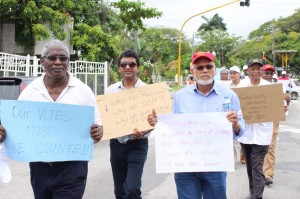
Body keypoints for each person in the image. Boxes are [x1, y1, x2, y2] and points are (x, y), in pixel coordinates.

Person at [0, 39, 103, 199]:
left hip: (72, 169)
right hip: (40, 169)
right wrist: (4, 134)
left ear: (68, 62)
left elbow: (98, 128)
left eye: (63, 58)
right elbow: (16, 130)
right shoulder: (30, 92)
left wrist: (98, 132)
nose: (58, 62)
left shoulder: (83, 91)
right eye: (52, 58)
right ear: (42, 61)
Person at [148, 51, 246, 199]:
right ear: (193, 71)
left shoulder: (229, 95)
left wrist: (235, 125)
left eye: (209, 66)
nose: (205, 70)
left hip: (215, 165)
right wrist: (158, 123)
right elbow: (172, 127)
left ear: (214, 69)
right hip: (185, 166)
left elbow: (241, 129)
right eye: (200, 68)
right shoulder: (181, 96)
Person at [106, 50, 152, 199]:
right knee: (119, 190)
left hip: (138, 144)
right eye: (123, 64)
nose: (127, 67)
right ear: (119, 68)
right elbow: (105, 116)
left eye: (131, 64)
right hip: (116, 144)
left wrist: (144, 131)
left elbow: (153, 120)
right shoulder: (110, 91)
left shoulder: (147, 91)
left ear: (137, 67)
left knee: (132, 188)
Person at [237, 59, 274, 199]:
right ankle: (253, 193)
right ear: (248, 70)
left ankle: (257, 196)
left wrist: (282, 106)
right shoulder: (241, 87)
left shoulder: (269, 87)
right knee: (250, 167)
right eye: (253, 69)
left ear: (261, 70)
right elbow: (235, 108)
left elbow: (279, 105)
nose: (256, 71)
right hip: (246, 134)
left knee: (257, 166)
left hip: (262, 134)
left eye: (258, 69)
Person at [261, 64, 290, 186]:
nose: (268, 75)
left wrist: (285, 104)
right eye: (266, 73)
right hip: (258, 121)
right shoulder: (255, 86)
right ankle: (258, 173)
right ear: (262, 73)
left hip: (273, 120)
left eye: (270, 73)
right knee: (257, 149)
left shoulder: (277, 87)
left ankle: (267, 174)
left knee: (270, 148)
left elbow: (286, 99)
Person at [229, 65, 246, 164]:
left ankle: (243, 154)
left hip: (244, 112)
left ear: (239, 74)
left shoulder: (244, 85)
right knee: (232, 138)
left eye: (234, 73)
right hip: (232, 114)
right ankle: (233, 159)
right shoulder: (227, 86)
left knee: (243, 136)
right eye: (231, 73)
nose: (232, 75)